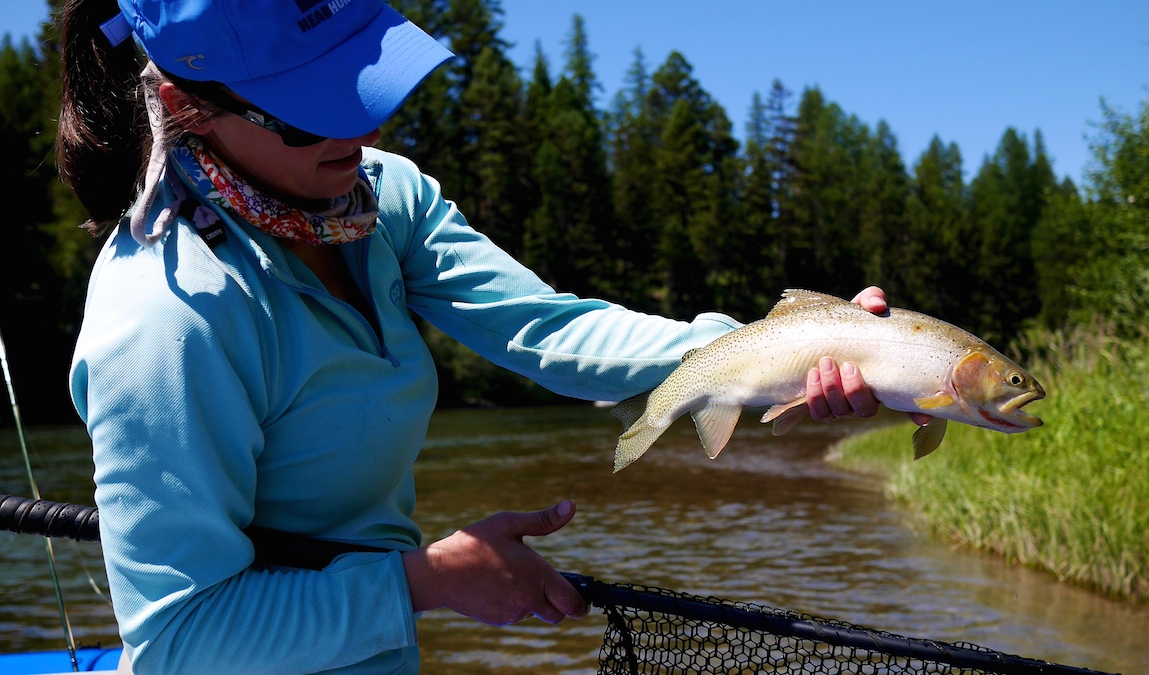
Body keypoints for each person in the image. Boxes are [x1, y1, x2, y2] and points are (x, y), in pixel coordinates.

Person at [58, 0, 921, 672]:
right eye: (312, 107)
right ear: (189, 107)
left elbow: (549, 329)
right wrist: (426, 580)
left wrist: (773, 351)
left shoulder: (378, 197)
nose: (365, 128)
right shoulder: (166, 324)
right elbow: (180, 638)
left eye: (362, 80)